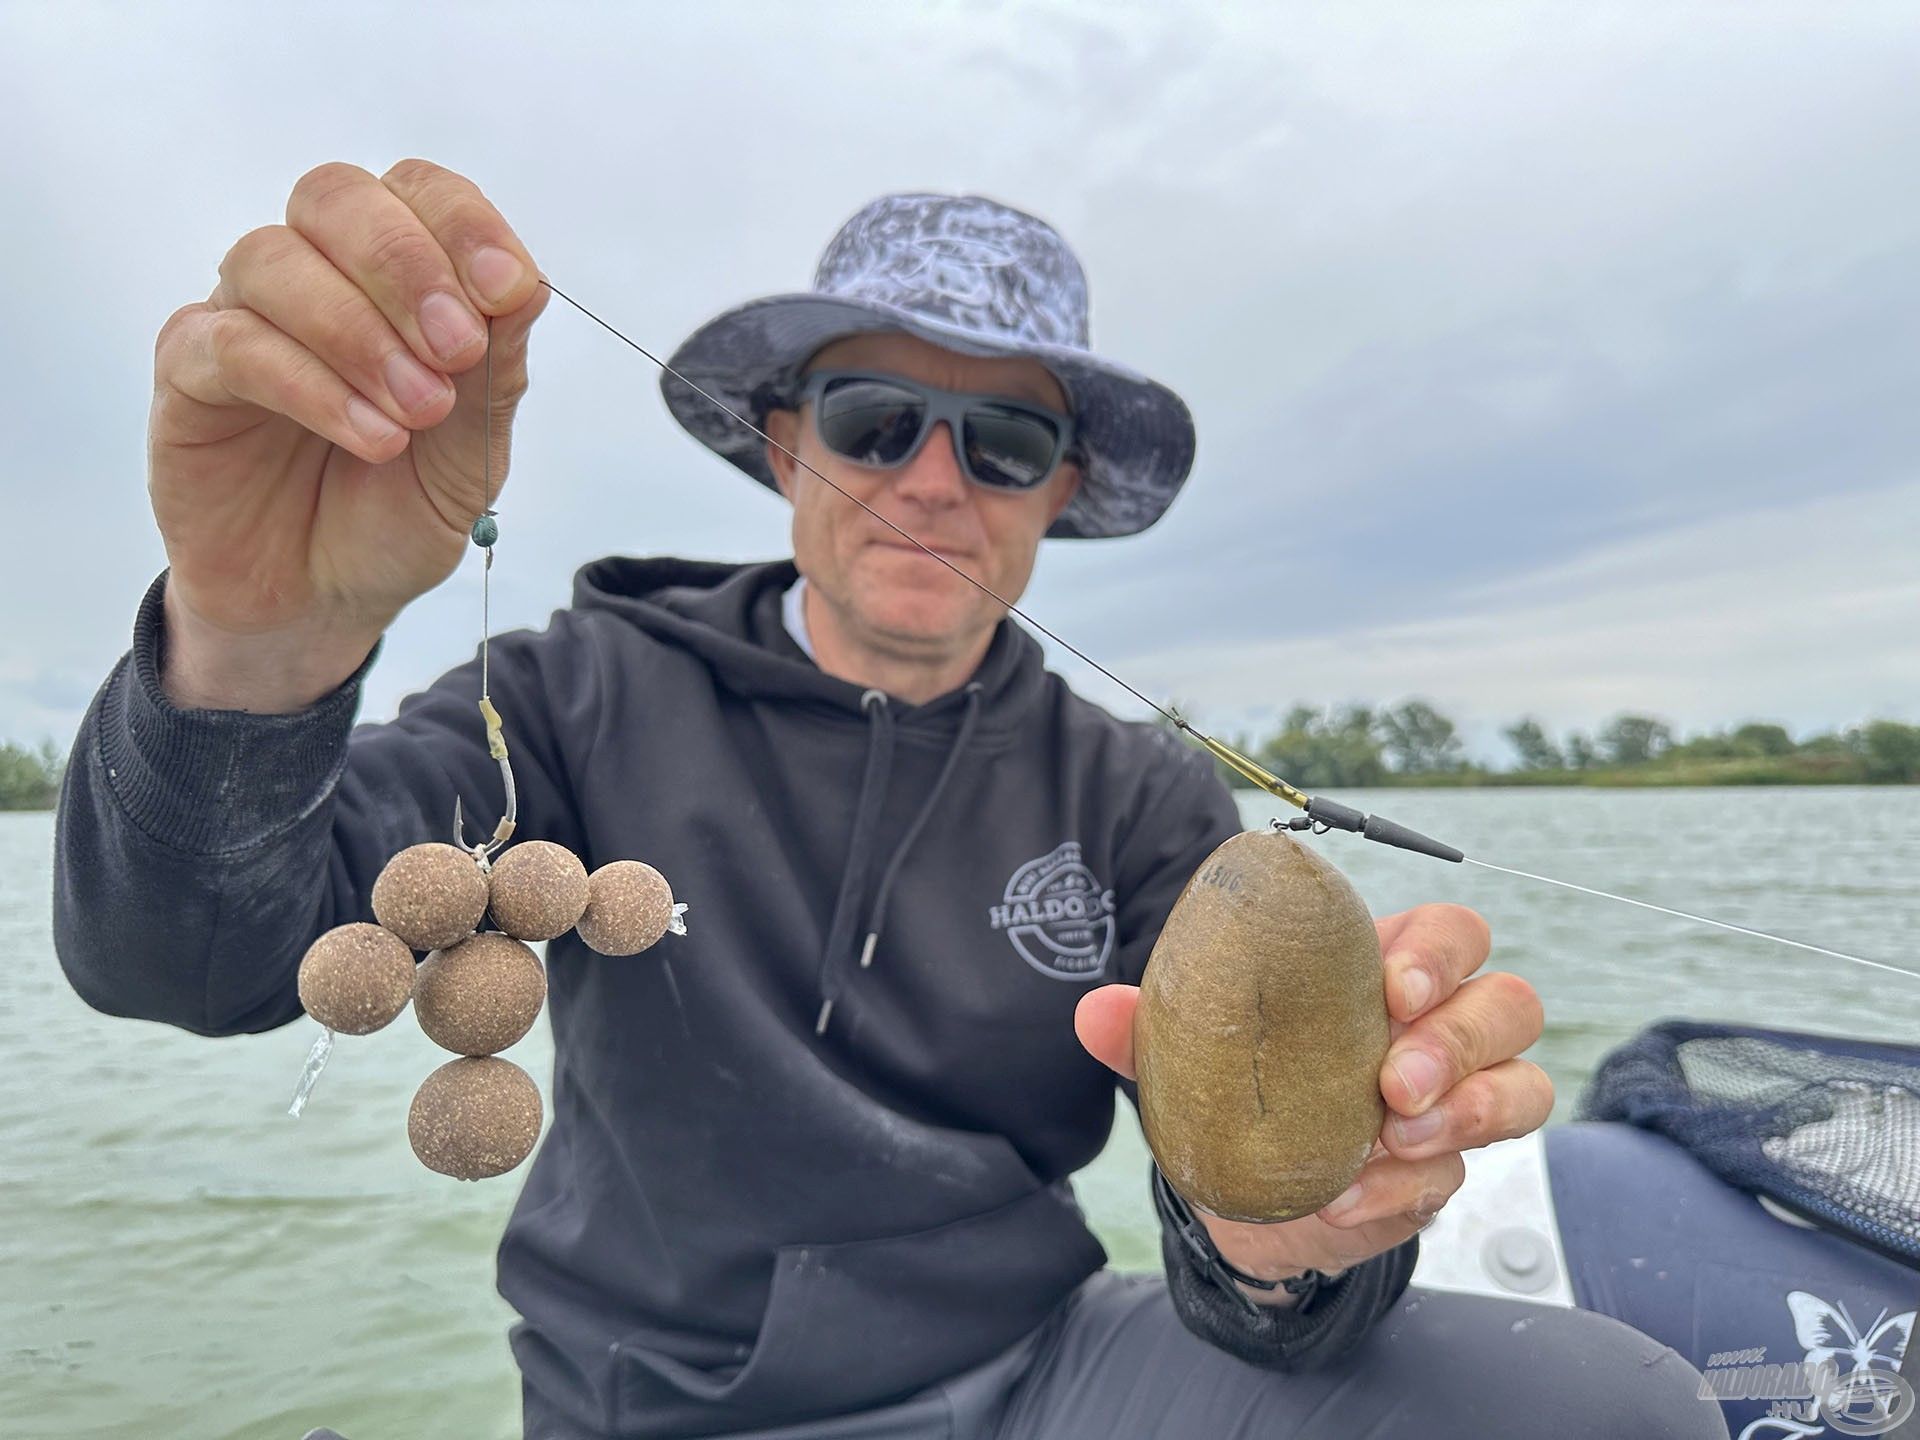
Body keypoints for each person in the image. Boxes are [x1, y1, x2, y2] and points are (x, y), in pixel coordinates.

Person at [53, 160, 1729, 1440]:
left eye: (1003, 441)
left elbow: (1252, 1257)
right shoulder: (568, 688)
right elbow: (190, 959)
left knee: (1617, 1407)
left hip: (1033, 1373)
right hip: (653, 1401)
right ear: (785, 446)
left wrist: (1298, 1237)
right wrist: (258, 646)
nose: (934, 480)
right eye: (875, 418)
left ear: (1059, 496)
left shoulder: (1139, 791)